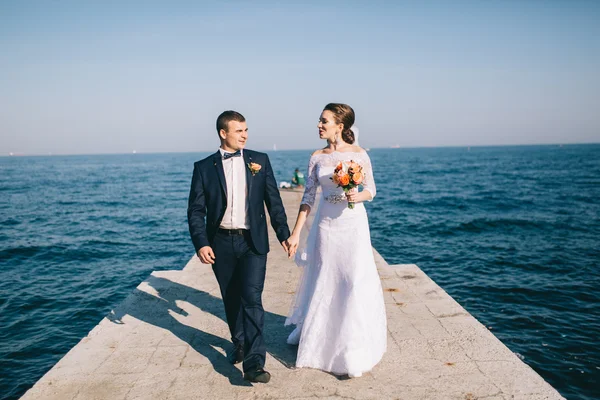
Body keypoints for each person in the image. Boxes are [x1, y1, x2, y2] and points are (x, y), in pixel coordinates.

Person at [187, 110, 291, 383]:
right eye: (239, 130)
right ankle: (240, 342)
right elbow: (196, 211)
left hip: (252, 240)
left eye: (246, 130)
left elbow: (273, 200)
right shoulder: (203, 167)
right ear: (224, 133)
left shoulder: (260, 160)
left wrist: (283, 233)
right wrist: (201, 243)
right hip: (220, 242)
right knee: (231, 297)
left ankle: (255, 363)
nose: (245, 135)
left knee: (252, 298)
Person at [285, 103, 387, 378]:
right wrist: (295, 233)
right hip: (326, 225)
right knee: (324, 278)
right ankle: (319, 342)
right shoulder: (316, 157)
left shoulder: (359, 154)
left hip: (352, 224)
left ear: (340, 126)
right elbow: (307, 197)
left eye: (324, 121)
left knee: (352, 279)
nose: (319, 125)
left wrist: (358, 196)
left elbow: (372, 190)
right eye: (319, 121)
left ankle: (351, 348)